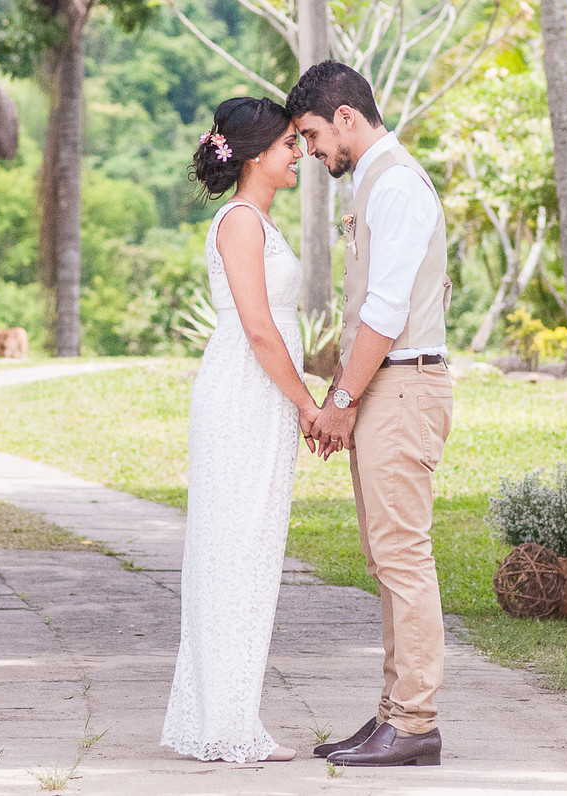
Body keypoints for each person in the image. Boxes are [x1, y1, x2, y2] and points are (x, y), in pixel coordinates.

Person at [286, 61, 453, 768]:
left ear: (346, 117)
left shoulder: (398, 185)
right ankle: (393, 714)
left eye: (313, 135)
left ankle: (414, 720)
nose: (311, 152)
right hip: (385, 384)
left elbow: (385, 311)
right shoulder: (372, 182)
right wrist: (347, 397)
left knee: (404, 556)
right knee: (385, 556)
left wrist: (342, 400)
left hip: (404, 384)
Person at [161, 97, 318, 764]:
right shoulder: (241, 224)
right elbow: (258, 329)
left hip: (260, 396)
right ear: (256, 155)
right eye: (289, 143)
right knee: (234, 549)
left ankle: (232, 713)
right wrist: (310, 405)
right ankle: (226, 722)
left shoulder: (256, 221)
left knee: (252, 550)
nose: (300, 153)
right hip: (243, 394)